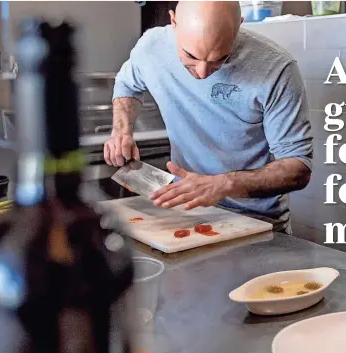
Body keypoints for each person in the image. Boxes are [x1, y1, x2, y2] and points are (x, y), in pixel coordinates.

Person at [105, 1, 313, 234]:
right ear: (173, 22)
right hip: (185, 213)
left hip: (256, 222)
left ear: (239, 26)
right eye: (190, 56)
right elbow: (127, 84)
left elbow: (298, 168)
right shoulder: (151, 46)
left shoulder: (276, 69)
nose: (202, 73)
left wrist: (223, 185)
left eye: (219, 59)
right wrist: (121, 131)